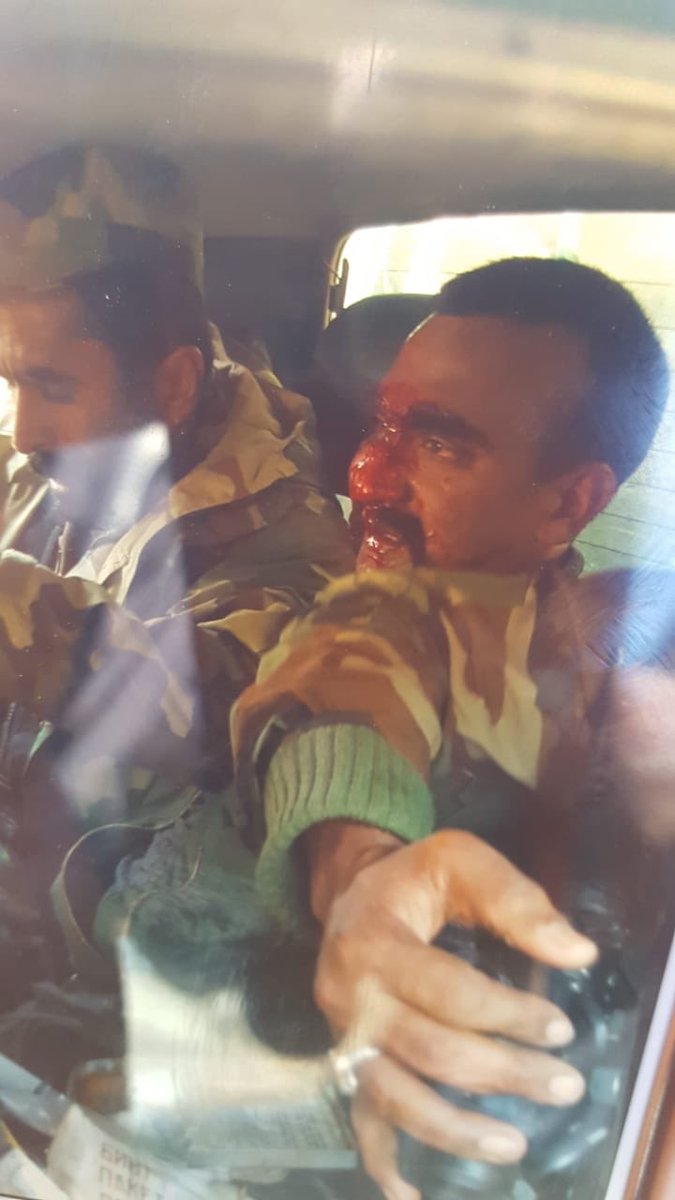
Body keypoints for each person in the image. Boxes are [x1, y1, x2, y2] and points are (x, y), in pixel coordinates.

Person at [232, 258, 675, 1198]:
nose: (363, 473)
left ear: (568, 502)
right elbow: (351, 687)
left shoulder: (606, 657)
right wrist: (361, 875)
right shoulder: (386, 615)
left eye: (438, 445)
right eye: (381, 425)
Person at [0, 144, 353, 1009]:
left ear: (173, 384)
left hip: (99, 990)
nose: (24, 432)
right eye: (10, 383)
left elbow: (198, 701)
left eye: (52, 387)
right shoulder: (56, 467)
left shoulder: (295, 550)